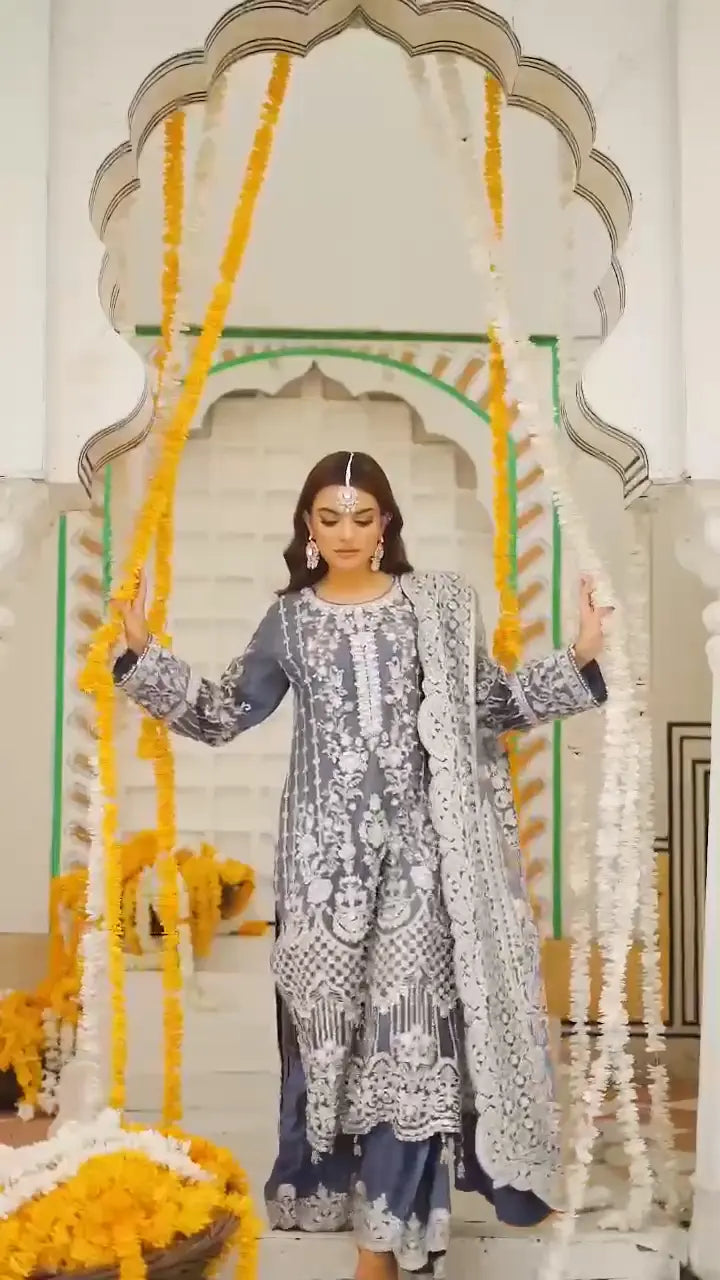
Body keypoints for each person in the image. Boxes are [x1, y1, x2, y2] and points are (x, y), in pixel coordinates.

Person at [113, 450, 609, 1280]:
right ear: (308, 527)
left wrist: (582, 651)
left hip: (423, 860)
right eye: (329, 517)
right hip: (322, 869)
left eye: (362, 516)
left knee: (410, 1038)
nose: (346, 532)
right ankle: (349, 1196)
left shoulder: (437, 607)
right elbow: (221, 714)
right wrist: (142, 653)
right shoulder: (290, 620)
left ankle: (383, 1242)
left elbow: (488, 706)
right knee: (335, 1046)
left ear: (386, 525)